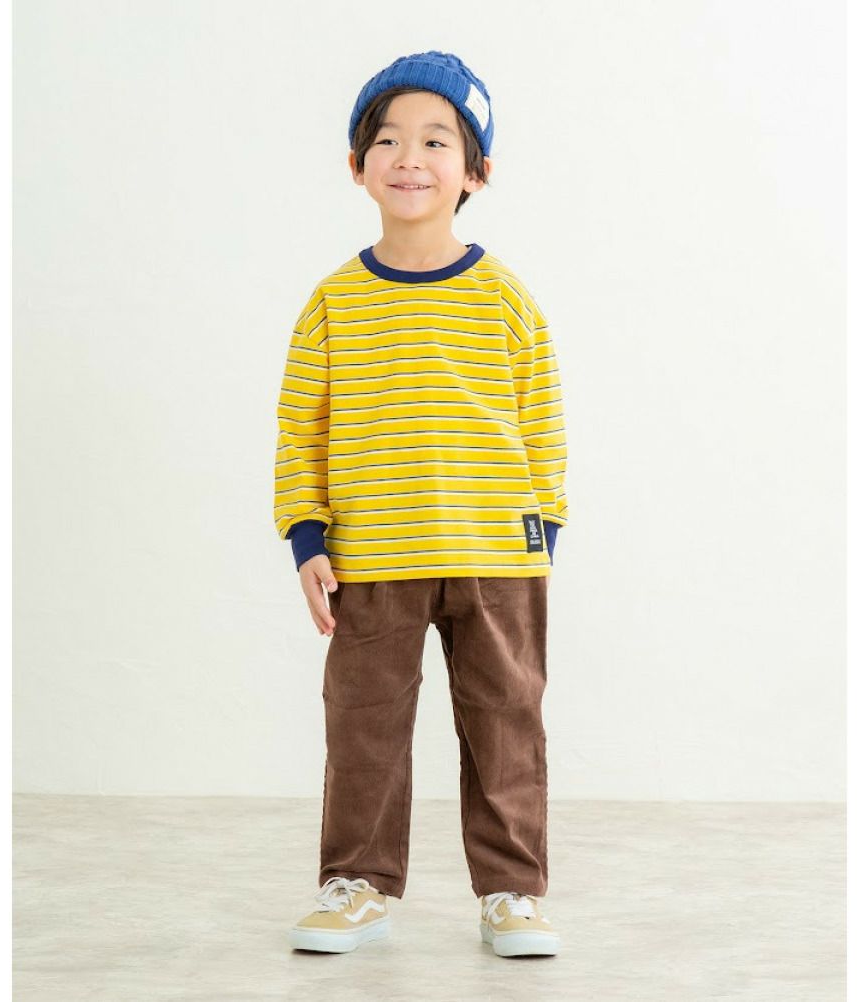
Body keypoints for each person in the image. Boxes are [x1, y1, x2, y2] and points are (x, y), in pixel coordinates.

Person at [273, 50, 569, 958]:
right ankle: (358, 883)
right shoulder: (334, 302)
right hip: (373, 558)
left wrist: (544, 531)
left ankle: (513, 892)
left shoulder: (504, 296)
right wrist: (307, 538)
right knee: (363, 728)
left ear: (476, 171)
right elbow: (300, 430)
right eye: (388, 141)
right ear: (357, 165)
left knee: (505, 726)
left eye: (437, 141)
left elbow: (543, 422)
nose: (410, 157)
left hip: (496, 557)